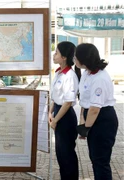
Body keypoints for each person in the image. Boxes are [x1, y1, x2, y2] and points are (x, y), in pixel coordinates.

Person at [74, 43, 118, 180]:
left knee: (100, 161)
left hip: (102, 119)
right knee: (95, 158)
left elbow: (94, 109)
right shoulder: (87, 73)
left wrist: (86, 128)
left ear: (84, 58)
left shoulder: (99, 78)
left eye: (76, 56)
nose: (73, 59)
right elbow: (85, 101)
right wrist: (83, 124)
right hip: (92, 117)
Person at [48, 41, 80, 180]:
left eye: (56, 53)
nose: (53, 55)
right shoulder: (59, 73)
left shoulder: (70, 76)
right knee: (61, 154)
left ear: (64, 57)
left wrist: (55, 120)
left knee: (67, 155)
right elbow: (55, 97)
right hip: (58, 113)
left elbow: (68, 102)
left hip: (65, 117)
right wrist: (50, 112)